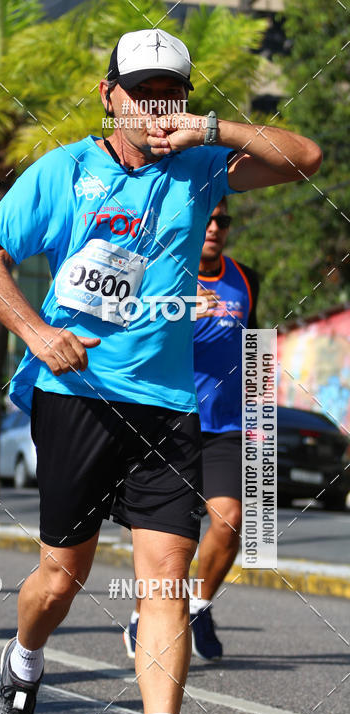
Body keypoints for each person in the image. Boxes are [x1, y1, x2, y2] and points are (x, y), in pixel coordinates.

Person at [0, 28, 321, 714]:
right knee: (61, 578)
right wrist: (37, 333)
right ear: (110, 95)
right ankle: (23, 662)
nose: (157, 106)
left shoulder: (201, 166)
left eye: (172, 93)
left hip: (167, 405)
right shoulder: (64, 170)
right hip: (76, 394)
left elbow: (306, 157)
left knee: (166, 576)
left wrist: (211, 129)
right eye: (142, 91)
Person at [123, 197, 259, 662]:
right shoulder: (165, 275)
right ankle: (144, 613)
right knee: (163, 536)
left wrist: (260, 411)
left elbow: (254, 345)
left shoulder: (246, 278)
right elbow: (133, 333)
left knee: (230, 520)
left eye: (224, 220)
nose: (216, 227)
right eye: (209, 219)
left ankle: (198, 605)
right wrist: (180, 312)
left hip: (226, 424)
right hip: (170, 419)